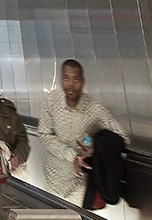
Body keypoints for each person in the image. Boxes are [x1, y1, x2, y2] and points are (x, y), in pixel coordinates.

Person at [38, 59, 124, 204]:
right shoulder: (51, 101)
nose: (71, 84)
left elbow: (121, 137)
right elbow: (44, 134)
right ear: (61, 80)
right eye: (66, 78)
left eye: (76, 79)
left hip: (78, 185)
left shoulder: (94, 109)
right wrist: (72, 156)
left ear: (83, 82)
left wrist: (96, 145)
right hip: (51, 179)